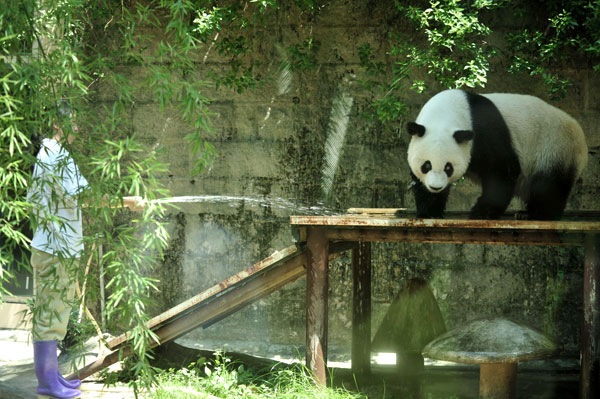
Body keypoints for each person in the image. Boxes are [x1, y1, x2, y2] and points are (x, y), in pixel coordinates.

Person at [27, 101, 145, 399]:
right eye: (73, 123)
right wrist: (128, 201)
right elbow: (87, 198)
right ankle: (47, 382)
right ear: (57, 124)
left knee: (57, 313)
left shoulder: (53, 154)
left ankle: (52, 377)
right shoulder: (54, 156)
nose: (77, 129)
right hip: (54, 249)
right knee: (51, 315)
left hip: (57, 247)